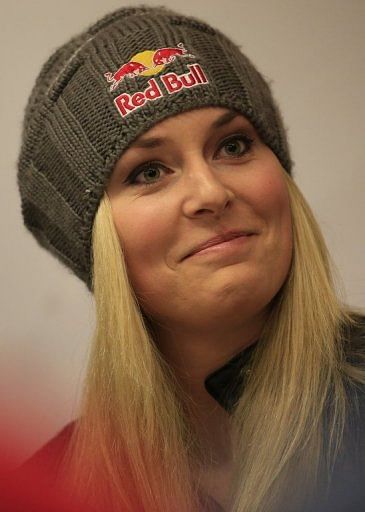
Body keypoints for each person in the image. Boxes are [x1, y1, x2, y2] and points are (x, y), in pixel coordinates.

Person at [9, 5, 365, 512]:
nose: (210, 192)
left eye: (234, 145)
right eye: (148, 172)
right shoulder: (51, 491)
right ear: (93, 244)